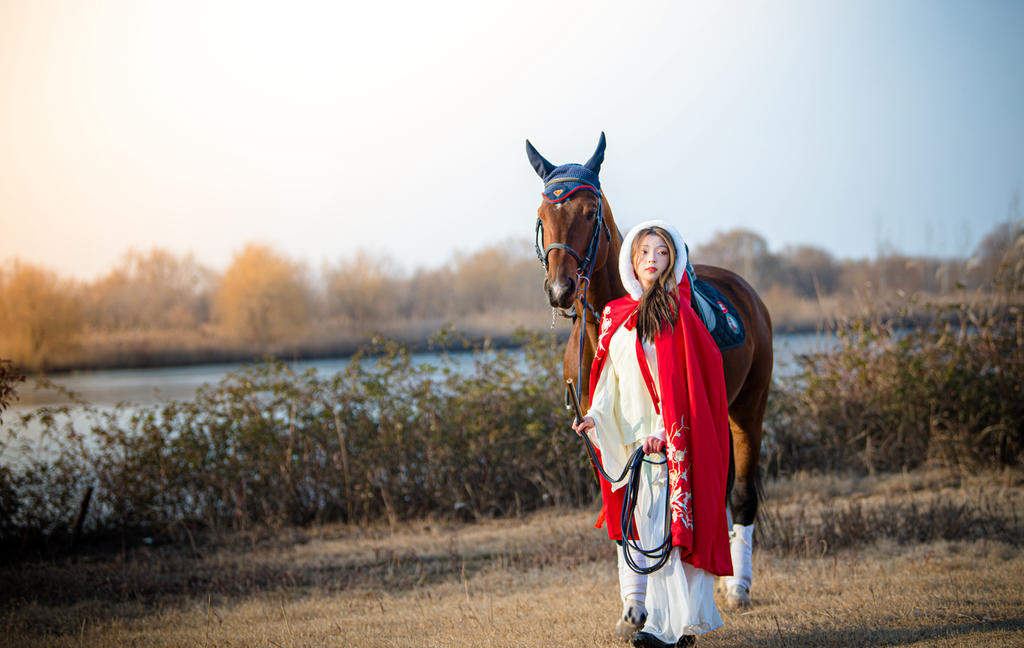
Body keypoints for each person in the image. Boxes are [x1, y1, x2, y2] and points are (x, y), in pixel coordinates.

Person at [573, 220, 732, 648]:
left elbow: (690, 379)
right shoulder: (615, 315)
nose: (652, 260)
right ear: (631, 258)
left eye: (661, 253)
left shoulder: (676, 311)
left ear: (672, 260)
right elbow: (608, 380)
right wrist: (593, 416)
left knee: (668, 531)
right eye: (645, 252)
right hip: (632, 443)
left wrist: (665, 430)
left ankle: (668, 627)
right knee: (645, 530)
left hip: (668, 441)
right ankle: (670, 625)